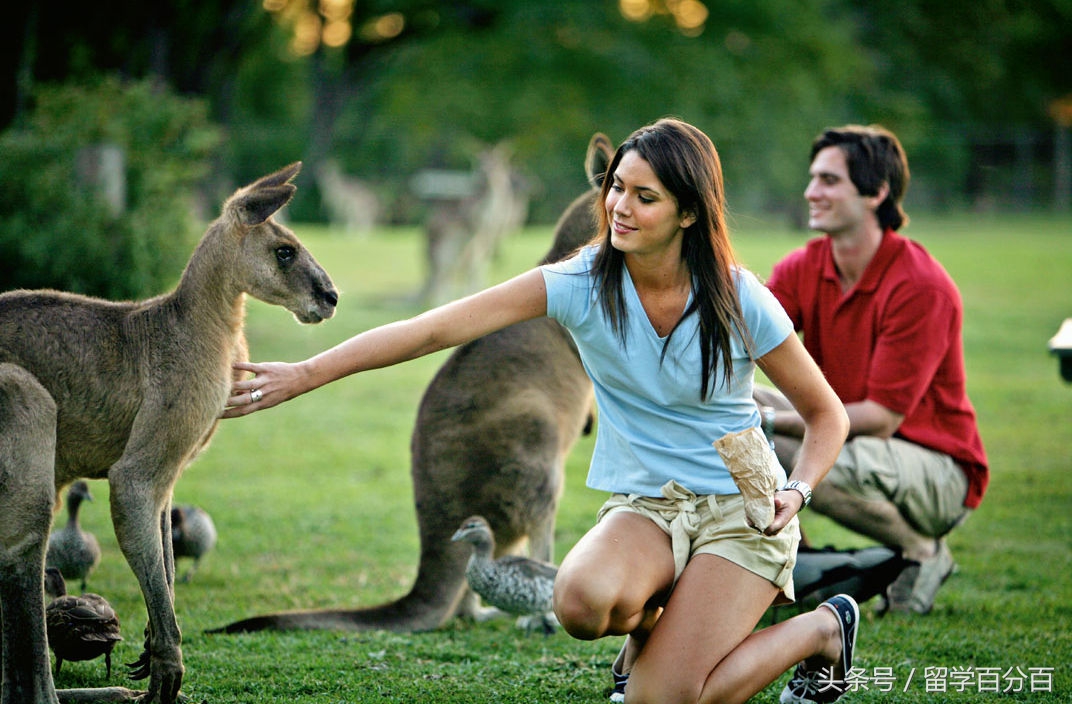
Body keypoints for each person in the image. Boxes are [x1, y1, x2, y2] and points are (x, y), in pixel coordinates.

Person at [224, 118, 854, 704]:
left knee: (659, 700)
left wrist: (797, 490)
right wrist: (306, 372)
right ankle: (664, 629)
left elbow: (827, 416)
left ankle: (824, 630)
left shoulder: (740, 298)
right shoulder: (582, 282)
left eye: (645, 197)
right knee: (577, 603)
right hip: (651, 506)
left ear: (689, 212)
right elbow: (430, 330)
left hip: (741, 509)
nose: (618, 207)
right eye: (616, 189)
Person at [755, 124, 989, 616]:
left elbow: (881, 418)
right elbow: (746, 341)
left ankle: (921, 551)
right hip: (859, 439)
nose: (810, 192)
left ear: (877, 192)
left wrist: (770, 421)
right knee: (737, 411)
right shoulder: (804, 266)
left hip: (938, 468)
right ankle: (790, 565)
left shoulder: (920, 286)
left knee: (787, 441)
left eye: (829, 180)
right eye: (812, 178)